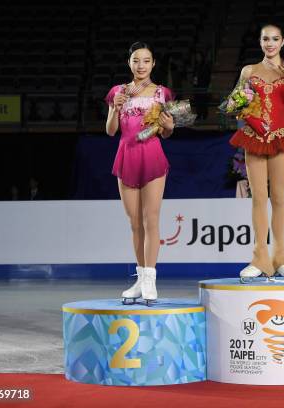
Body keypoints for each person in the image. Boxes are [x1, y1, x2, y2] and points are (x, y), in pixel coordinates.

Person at [229, 24, 284, 282]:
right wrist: (239, 103)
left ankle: (281, 257)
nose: (270, 43)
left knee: (278, 198)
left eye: (275, 39)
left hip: (280, 137)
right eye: (265, 39)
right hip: (254, 138)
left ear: (283, 42)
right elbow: (234, 103)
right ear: (260, 42)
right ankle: (259, 258)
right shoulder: (249, 71)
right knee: (258, 198)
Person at [105, 41, 175, 305]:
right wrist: (115, 108)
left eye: (146, 60)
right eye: (136, 60)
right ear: (129, 63)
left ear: (153, 64)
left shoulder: (162, 93)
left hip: (153, 156)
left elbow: (167, 131)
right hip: (127, 156)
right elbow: (111, 131)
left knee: (151, 220)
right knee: (135, 223)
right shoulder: (118, 92)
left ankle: (151, 280)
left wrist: (169, 126)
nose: (141, 65)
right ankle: (140, 277)